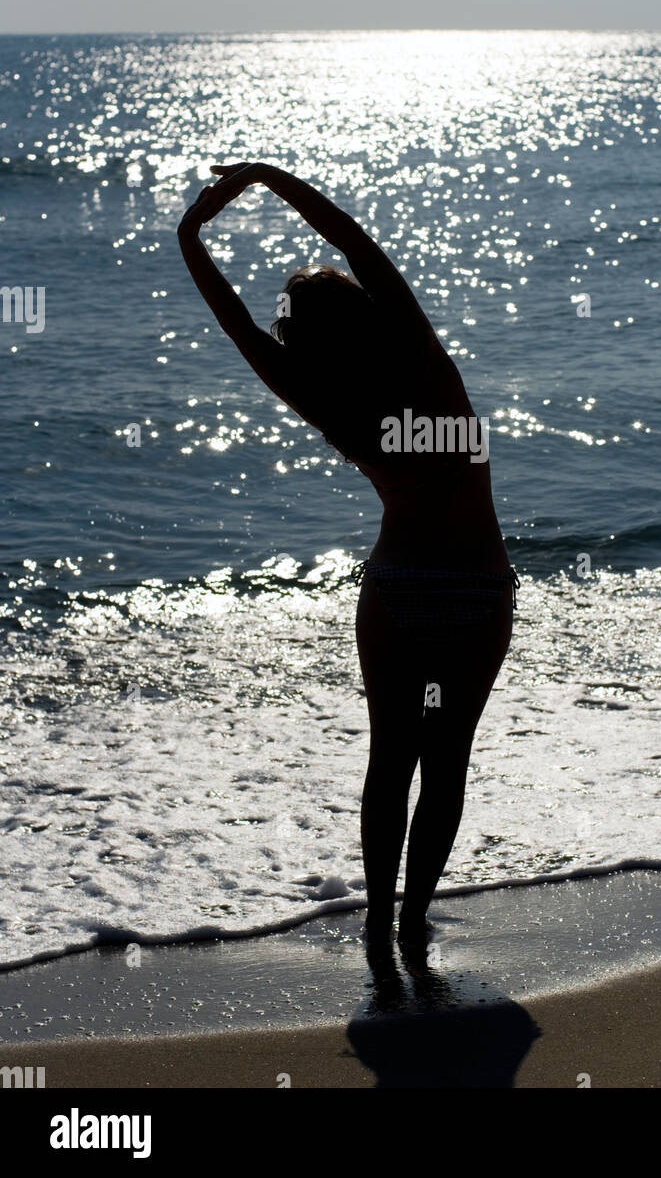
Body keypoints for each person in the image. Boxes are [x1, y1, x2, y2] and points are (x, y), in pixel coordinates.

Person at [177, 161, 518, 957]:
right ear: (363, 310)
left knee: (389, 762)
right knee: (446, 765)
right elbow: (352, 238)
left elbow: (237, 325)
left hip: (398, 592)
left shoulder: (326, 397)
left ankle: (374, 926)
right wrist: (266, 178)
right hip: (476, 590)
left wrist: (190, 237)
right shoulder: (424, 361)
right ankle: (410, 923)